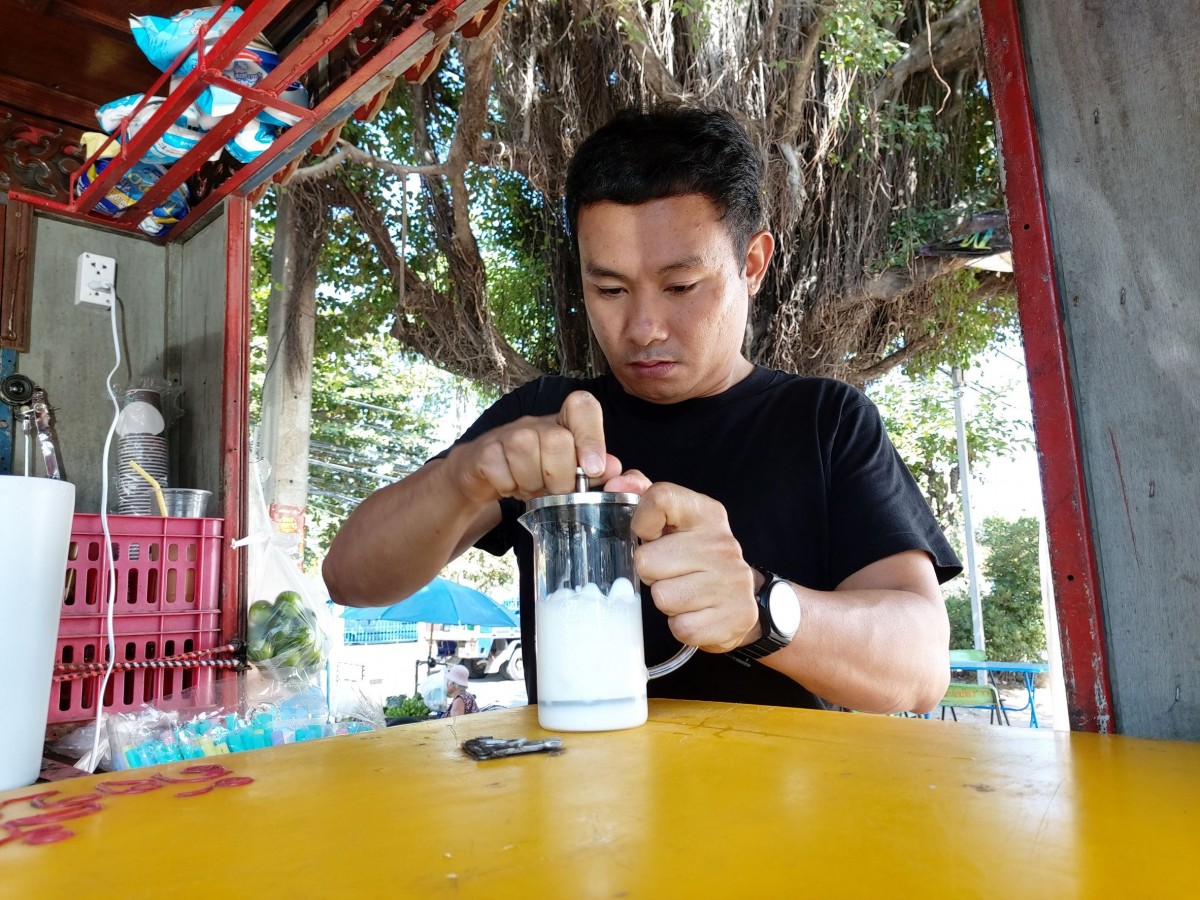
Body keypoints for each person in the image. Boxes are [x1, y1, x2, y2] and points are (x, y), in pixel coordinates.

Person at [325, 105, 961, 715]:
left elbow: (921, 667)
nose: (643, 327)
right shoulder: (548, 417)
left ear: (753, 264)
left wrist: (761, 610)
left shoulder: (825, 421)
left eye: (681, 286)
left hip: (785, 816)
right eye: (609, 289)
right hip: (583, 810)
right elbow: (352, 579)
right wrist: (464, 477)